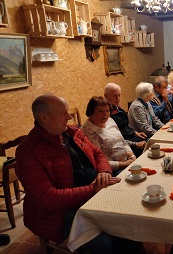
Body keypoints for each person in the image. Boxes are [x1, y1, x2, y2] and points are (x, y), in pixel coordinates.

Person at [15, 94, 142, 253]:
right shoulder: (28, 151)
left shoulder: (72, 132)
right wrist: (92, 189)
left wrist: (103, 172)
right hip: (61, 213)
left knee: (133, 224)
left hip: (95, 193)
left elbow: (98, 154)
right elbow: (46, 198)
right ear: (44, 117)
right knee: (105, 244)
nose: (69, 117)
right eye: (63, 113)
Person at [82, 96, 136, 175]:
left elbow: (123, 142)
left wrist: (132, 156)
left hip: (127, 160)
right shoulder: (88, 130)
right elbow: (99, 161)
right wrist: (126, 164)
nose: (105, 114)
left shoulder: (110, 120)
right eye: (100, 111)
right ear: (91, 112)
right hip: (111, 170)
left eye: (107, 110)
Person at [104, 83, 147, 158]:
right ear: (106, 96)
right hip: (126, 145)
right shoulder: (106, 115)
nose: (118, 98)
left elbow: (125, 126)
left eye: (119, 95)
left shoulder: (119, 109)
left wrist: (135, 132)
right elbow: (117, 140)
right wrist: (135, 144)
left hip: (132, 137)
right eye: (115, 96)